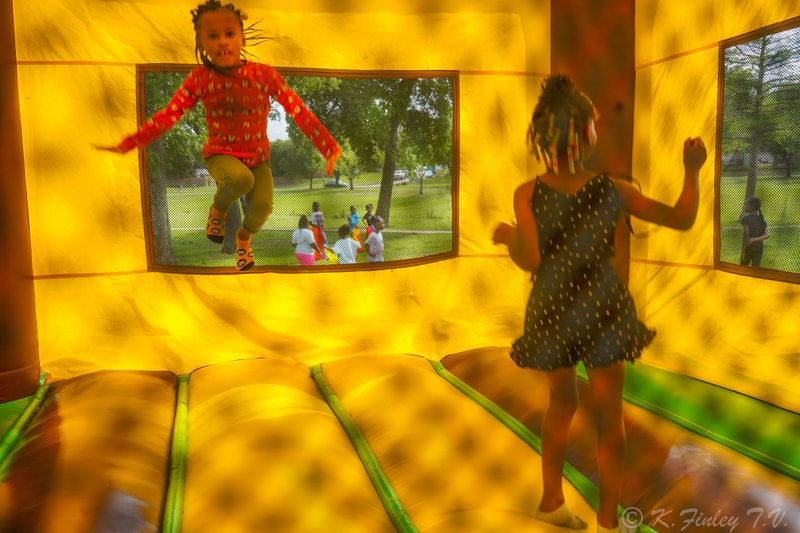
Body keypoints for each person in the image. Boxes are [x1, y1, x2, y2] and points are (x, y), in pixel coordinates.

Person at [492, 74, 707, 533]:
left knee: (561, 403)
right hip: (601, 313)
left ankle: (551, 502)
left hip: (552, 313)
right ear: (587, 133)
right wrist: (692, 169)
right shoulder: (616, 189)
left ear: (544, 138)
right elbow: (681, 217)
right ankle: (609, 520)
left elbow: (529, 259)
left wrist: (511, 239)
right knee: (611, 422)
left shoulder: (527, 193)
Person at [94, 0, 341, 272]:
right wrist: (130, 142)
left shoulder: (264, 75)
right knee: (240, 179)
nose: (222, 42)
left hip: (258, 158)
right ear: (202, 44)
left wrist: (327, 146)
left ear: (241, 38)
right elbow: (168, 116)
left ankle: (243, 239)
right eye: (213, 36)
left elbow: (298, 110)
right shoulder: (199, 79)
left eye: (229, 34)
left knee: (263, 207)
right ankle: (218, 211)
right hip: (220, 154)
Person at [739, 196, 769, 267]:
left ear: (751, 207)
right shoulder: (761, 218)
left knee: (743, 270)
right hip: (759, 248)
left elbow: (746, 235)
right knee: (755, 270)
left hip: (748, 248)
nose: (744, 206)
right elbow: (766, 235)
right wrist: (754, 239)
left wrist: (743, 252)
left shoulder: (745, 218)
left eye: (746, 204)